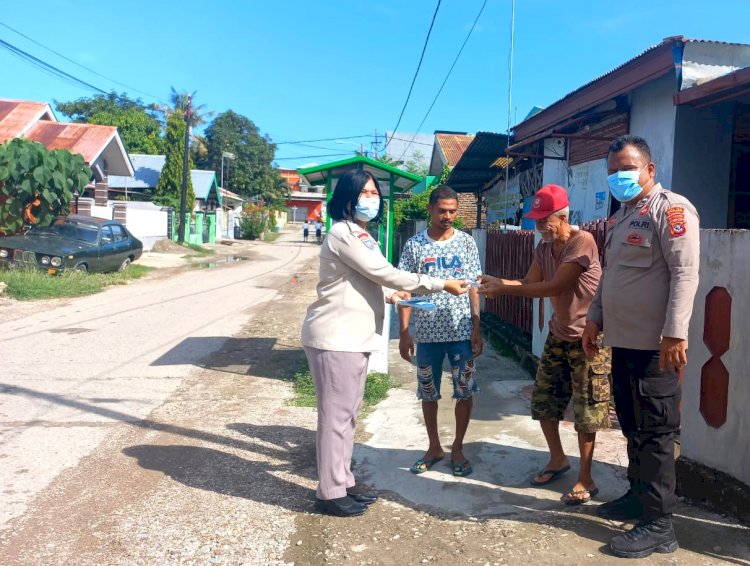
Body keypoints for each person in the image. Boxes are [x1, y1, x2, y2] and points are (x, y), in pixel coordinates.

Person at [301, 170, 468, 518]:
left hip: (352, 338)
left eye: (375, 192)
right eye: (364, 192)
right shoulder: (342, 233)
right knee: (335, 417)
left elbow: (376, 281)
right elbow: (385, 273)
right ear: (347, 198)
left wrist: (396, 295)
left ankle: (343, 480)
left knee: (346, 417)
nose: (371, 198)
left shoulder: (362, 236)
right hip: (336, 337)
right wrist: (437, 284)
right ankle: (329, 492)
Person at [582, 135, 700, 559]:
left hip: (656, 348)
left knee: (655, 434)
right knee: (632, 426)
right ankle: (637, 498)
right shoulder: (623, 215)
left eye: (627, 168)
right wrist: (595, 318)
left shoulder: (671, 209)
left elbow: (685, 273)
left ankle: (659, 524)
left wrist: (675, 332)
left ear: (650, 169)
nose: (619, 177)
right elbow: (611, 277)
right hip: (623, 343)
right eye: (612, 170)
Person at [479, 184, 611, 505]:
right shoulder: (543, 248)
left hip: (589, 338)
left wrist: (505, 289)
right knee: (544, 401)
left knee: (587, 411)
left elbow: (552, 285)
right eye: (536, 219)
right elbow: (528, 283)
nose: (538, 225)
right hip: (559, 333)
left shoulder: (582, 242)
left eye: (544, 219)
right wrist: (497, 283)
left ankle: (586, 478)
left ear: (563, 216)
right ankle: (558, 460)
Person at [398, 185, 483, 477]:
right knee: (428, 392)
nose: (448, 216)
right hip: (426, 336)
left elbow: (473, 287)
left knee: (465, 390)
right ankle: (434, 446)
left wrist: (477, 327)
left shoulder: (467, 243)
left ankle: (458, 446)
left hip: (461, 332)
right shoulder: (414, 246)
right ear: (430, 209)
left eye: (453, 211)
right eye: (442, 210)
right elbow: (405, 290)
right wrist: (404, 331)